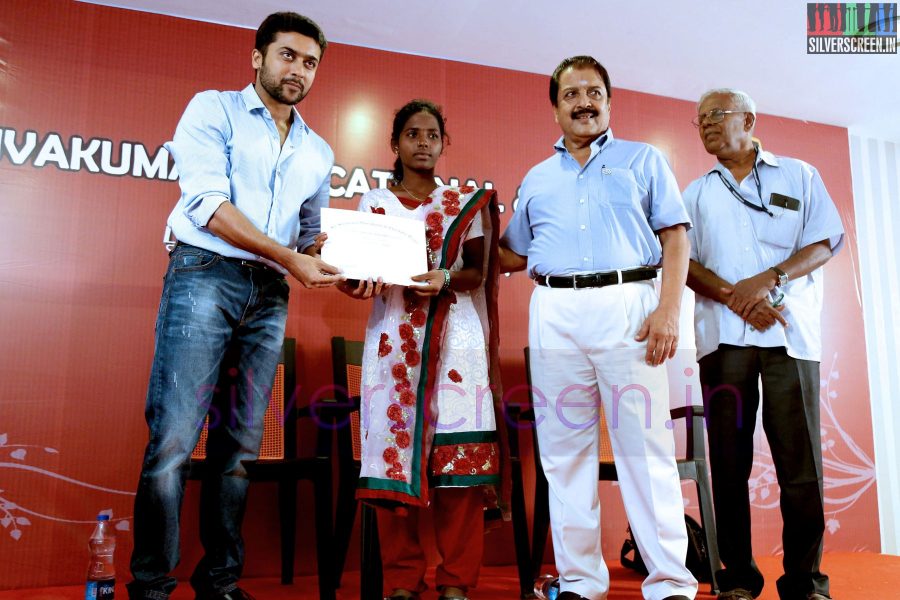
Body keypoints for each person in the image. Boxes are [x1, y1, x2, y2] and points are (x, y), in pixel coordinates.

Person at [127, 12, 342, 600]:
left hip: (269, 292)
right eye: (288, 56)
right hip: (204, 275)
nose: (298, 70)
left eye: (310, 62)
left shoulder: (318, 151)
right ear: (258, 57)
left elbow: (310, 235)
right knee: (173, 439)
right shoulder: (212, 109)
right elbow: (206, 204)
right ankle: (151, 587)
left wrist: (346, 267)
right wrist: (291, 257)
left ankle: (219, 582)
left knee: (239, 449)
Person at [499, 55, 698, 600]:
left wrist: (668, 310)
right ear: (556, 106)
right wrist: (439, 250)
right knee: (563, 454)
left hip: (629, 309)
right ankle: (581, 582)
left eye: (593, 92)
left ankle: (670, 583)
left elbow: (676, 238)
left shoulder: (644, 159)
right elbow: (512, 255)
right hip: (555, 313)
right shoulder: (536, 178)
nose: (583, 102)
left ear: (609, 101)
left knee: (644, 449)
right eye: (571, 94)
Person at [337, 99, 504, 600]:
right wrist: (356, 282)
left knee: (459, 465)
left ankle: (456, 581)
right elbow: (359, 271)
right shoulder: (374, 204)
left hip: (458, 344)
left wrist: (447, 278)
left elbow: (478, 271)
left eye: (433, 135)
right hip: (393, 344)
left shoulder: (462, 203)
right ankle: (403, 581)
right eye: (413, 134)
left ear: (443, 143)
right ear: (396, 144)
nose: (424, 143)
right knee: (393, 460)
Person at [683, 88, 844, 600]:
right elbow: (682, 264)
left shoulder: (799, 174)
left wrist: (771, 277)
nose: (707, 124)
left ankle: (805, 580)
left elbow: (823, 241)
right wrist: (738, 296)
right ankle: (738, 579)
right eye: (700, 119)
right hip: (723, 342)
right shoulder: (695, 193)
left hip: (789, 338)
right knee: (728, 464)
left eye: (717, 115)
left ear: (748, 119)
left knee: (801, 466)